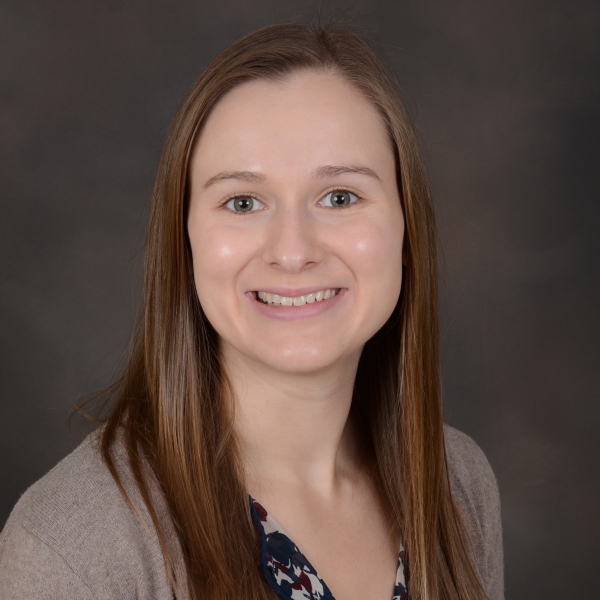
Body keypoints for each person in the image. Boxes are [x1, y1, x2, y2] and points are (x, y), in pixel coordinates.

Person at [0, 22, 503, 600]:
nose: (293, 251)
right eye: (242, 202)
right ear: (184, 243)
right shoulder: (76, 550)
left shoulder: (457, 483)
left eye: (340, 197)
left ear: (408, 231)